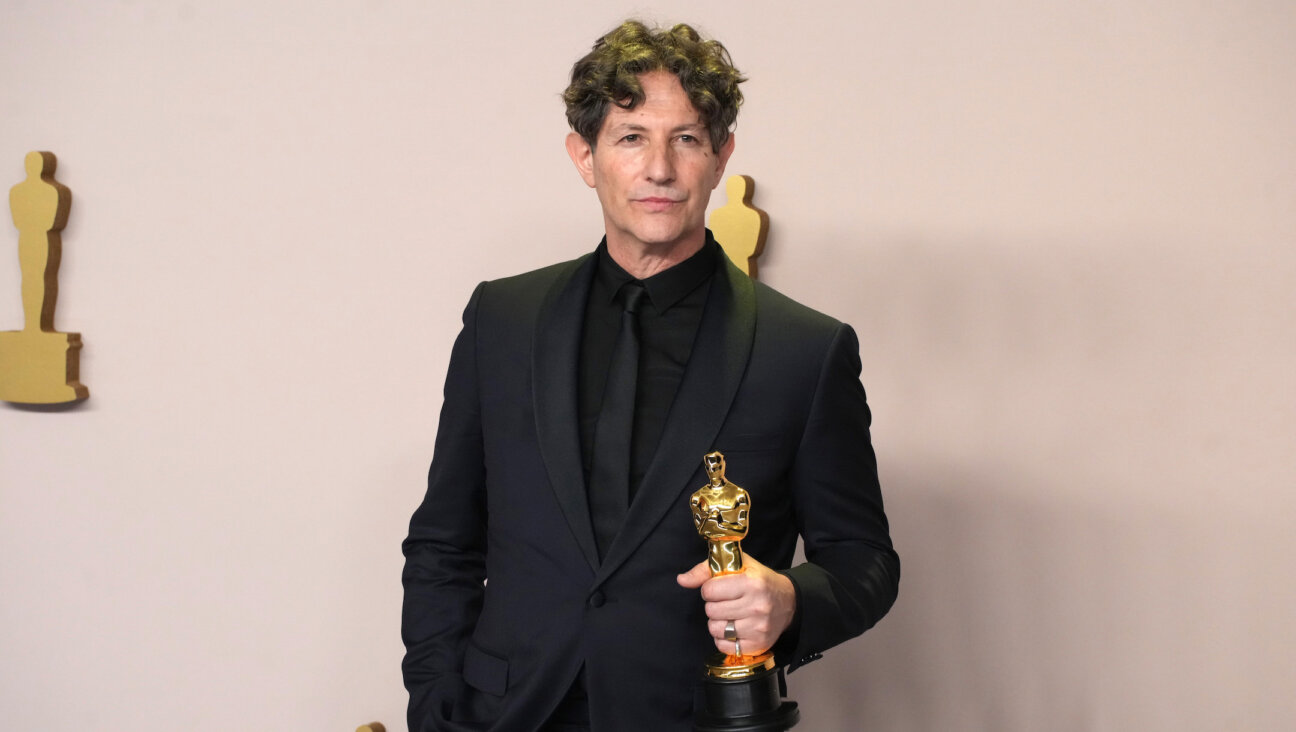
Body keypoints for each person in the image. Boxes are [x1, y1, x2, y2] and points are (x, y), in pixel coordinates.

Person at [401, 20, 899, 731]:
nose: (659, 168)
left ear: (721, 155)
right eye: (631, 137)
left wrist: (790, 600)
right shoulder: (500, 320)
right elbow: (443, 541)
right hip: (502, 713)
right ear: (585, 155)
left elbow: (864, 562)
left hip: (691, 716)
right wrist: (436, 704)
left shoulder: (806, 350)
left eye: (687, 139)